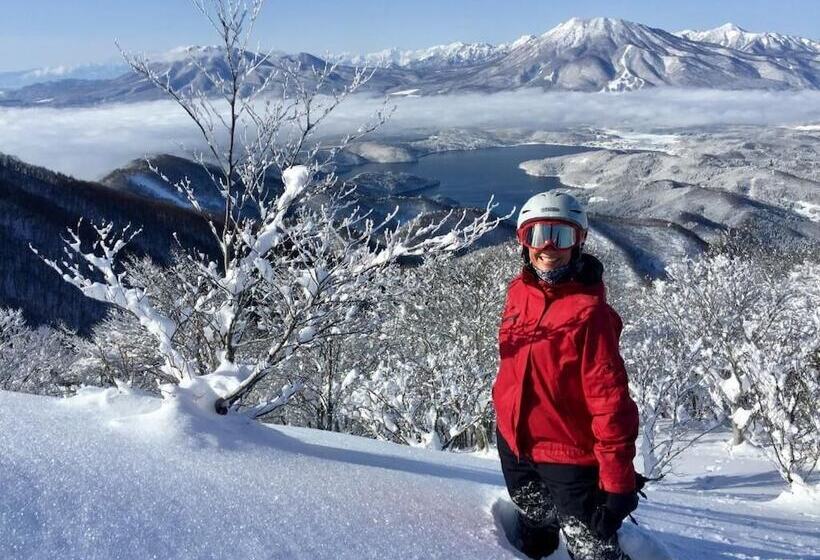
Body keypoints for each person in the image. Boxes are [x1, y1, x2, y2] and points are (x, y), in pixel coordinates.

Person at [493, 191, 640, 560]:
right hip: (514, 444)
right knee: (534, 523)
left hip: (568, 457)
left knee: (592, 546)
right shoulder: (518, 292)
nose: (547, 247)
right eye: (535, 235)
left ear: (579, 241)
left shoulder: (592, 316)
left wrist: (618, 482)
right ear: (522, 241)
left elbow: (610, 404)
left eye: (560, 236)